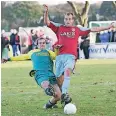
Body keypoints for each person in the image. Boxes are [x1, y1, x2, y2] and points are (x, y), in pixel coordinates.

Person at [43, 4, 115, 105]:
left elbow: (94, 29)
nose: (67, 20)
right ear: (64, 19)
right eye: (66, 19)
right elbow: (47, 22)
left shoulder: (77, 29)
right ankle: (55, 100)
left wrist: (109, 26)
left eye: (69, 19)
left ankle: (64, 94)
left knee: (68, 71)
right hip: (59, 57)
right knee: (59, 81)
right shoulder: (59, 28)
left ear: (73, 20)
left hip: (70, 57)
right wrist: (46, 12)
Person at [2, 37, 61, 109]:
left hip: (50, 74)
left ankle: (48, 105)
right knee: (46, 85)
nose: (42, 44)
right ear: (37, 44)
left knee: (58, 96)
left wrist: (56, 49)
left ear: (45, 44)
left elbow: (56, 56)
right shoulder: (32, 52)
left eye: (43, 43)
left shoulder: (49, 52)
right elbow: (22, 57)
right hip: (40, 74)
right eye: (40, 43)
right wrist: (9, 59)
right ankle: (47, 89)